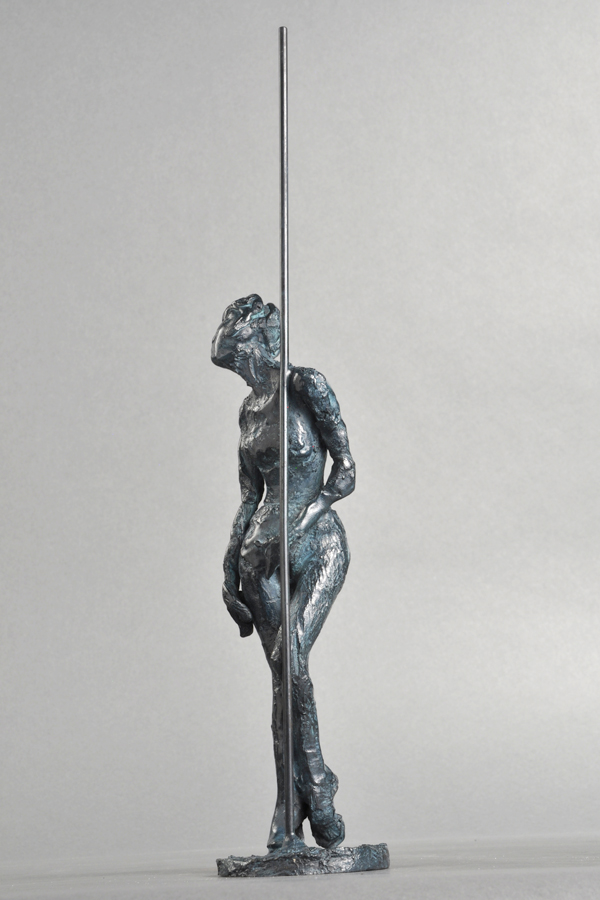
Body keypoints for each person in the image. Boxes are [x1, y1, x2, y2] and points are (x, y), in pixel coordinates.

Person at [211, 293, 355, 851]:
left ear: (260, 344)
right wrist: (230, 565)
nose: (237, 367)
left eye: (239, 354)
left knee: (290, 660)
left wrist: (302, 522)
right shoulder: (248, 410)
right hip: (259, 565)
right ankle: (290, 803)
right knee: (282, 679)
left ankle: (313, 783)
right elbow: (250, 497)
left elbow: (345, 473)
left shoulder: (306, 385)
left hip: (316, 545)